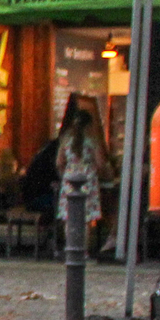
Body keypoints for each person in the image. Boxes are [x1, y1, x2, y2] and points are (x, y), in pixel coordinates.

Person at [51, 97, 106, 250]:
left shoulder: (66, 140)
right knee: (86, 218)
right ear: (89, 124)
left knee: (69, 216)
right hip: (88, 178)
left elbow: (59, 162)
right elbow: (101, 162)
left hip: (70, 178)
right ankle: (84, 251)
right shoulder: (92, 141)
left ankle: (71, 248)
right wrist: (95, 170)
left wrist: (65, 173)